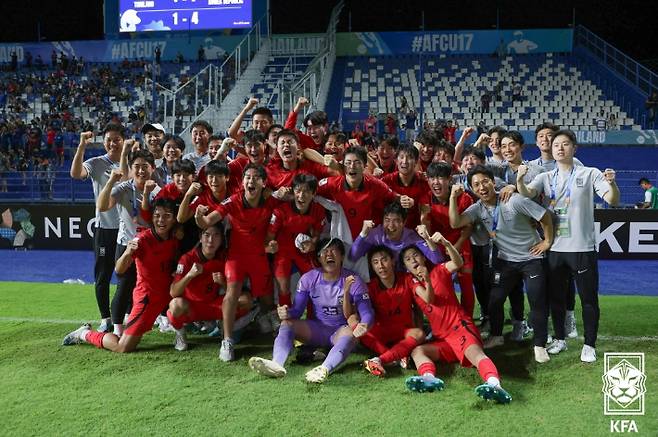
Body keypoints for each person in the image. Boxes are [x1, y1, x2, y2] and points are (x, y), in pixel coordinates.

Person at [516, 129, 620, 363]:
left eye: (565, 144)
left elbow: (612, 200)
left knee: (588, 299)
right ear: (551, 151)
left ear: (575, 148)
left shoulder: (590, 173)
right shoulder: (546, 177)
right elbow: (527, 193)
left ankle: (589, 345)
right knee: (557, 299)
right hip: (555, 249)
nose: (560, 148)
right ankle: (560, 339)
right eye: (556, 145)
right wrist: (520, 179)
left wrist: (612, 184)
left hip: (582, 248)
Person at [449, 166, 554, 363]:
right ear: (471, 189)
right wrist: (452, 199)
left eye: (485, 182)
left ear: (493, 182)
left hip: (531, 258)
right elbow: (455, 223)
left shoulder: (513, 200)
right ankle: (497, 336)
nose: (482, 187)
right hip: (506, 261)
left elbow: (545, 216)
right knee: (494, 300)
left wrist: (546, 241)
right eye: (476, 185)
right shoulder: (477, 208)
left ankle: (539, 344)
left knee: (536, 299)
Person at [400, 238, 512, 404]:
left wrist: (446, 244)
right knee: (418, 351)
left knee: (476, 355)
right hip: (443, 340)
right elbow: (429, 298)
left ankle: (495, 385)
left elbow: (457, 262)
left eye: (415, 255)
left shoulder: (439, 270)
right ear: (406, 268)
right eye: (408, 259)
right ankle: (429, 378)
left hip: (460, 328)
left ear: (423, 257)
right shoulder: (413, 285)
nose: (413, 260)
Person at [248, 238, 374, 383]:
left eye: (333, 251)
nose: (329, 255)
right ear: (319, 258)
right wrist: (287, 312)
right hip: (316, 330)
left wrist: (364, 324)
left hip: (341, 331)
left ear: (342, 256)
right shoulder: (308, 278)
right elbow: (297, 311)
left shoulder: (353, 280)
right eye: (324, 252)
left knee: (350, 333)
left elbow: (367, 311)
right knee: (287, 324)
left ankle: (324, 369)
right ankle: (277, 364)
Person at [62, 198, 180, 353]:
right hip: (147, 299)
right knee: (123, 346)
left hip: (166, 297)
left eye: (167, 216)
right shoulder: (143, 240)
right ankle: (85, 334)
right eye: (157, 215)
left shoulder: (175, 237)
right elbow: (119, 270)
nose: (161, 220)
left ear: (174, 219)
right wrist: (128, 252)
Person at [195, 164, 280, 361]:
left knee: (267, 299)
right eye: (247, 177)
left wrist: (274, 243)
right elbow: (207, 222)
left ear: (263, 182)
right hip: (236, 257)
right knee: (232, 294)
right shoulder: (233, 201)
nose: (251, 181)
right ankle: (227, 340)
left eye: (255, 177)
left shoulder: (270, 201)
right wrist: (200, 216)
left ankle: (276, 331)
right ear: (242, 182)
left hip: (259, 256)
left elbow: (287, 212)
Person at [97, 149, 158, 337]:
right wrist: (110, 181)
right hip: (127, 244)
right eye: (136, 167)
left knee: (152, 285)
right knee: (124, 285)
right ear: (130, 169)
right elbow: (102, 206)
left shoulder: (158, 190)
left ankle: (153, 320)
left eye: (145, 167)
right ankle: (117, 328)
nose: (141, 171)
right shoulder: (123, 188)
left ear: (153, 168)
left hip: (150, 245)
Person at [167, 223, 256, 351]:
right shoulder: (187, 259)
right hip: (192, 307)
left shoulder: (223, 257)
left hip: (214, 305)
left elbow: (234, 291)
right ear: (200, 238)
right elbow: (173, 292)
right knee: (175, 305)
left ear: (221, 239)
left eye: (216, 236)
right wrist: (190, 275)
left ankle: (222, 326)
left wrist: (223, 283)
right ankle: (180, 334)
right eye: (207, 235)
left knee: (246, 300)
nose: (210, 240)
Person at [70, 126, 123, 332]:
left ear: (123, 140)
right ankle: (105, 317)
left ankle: (125, 314)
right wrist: (82, 144)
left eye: (117, 139)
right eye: (109, 140)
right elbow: (75, 173)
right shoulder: (96, 163)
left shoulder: (130, 163)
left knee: (128, 275)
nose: (112, 143)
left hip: (127, 230)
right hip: (105, 228)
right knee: (103, 275)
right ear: (104, 142)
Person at [317, 146, 413, 241]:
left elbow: (394, 197)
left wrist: (406, 200)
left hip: (366, 242)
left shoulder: (375, 184)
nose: (352, 166)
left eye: (357, 162)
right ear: (342, 165)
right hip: (340, 243)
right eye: (348, 163)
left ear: (365, 165)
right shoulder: (330, 184)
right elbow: (309, 192)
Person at [420, 162, 475, 317]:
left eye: (440, 178)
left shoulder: (464, 198)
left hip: (461, 244)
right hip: (438, 248)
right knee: (440, 285)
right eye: (431, 178)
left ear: (449, 179)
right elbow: (426, 223)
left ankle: (467, 320)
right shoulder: (426, 198)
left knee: (466, 284)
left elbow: (468, 228)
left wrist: (455, 246)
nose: (435, 182)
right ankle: (443, 319)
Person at [360, 245, 425, 376]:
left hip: (404, 331)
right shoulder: (370, 286)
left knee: (419, 333)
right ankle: (395, 356)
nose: (381, 266)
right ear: (372, 266)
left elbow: (418, 309)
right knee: (358, 330)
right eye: (375, 262)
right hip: (382, 332)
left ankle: (380, 359)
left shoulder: (407, 279)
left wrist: (420, 332)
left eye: (384, 260)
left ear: (393, 261)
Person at [266, 174, 326, 308]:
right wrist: (270, 246)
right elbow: (269, 237)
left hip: (303, 251)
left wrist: (313, 243)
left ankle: (314, 317)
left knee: (315, 282)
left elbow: (317, 233)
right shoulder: (280, 211)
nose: (301, 195)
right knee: (283, 286)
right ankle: (286, 322)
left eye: (306, 191)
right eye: (298, 190)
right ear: (293, 191)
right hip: (282, 251)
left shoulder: (318, 210)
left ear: (313, 193)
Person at [349, 201, 441, 268]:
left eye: (396, 221)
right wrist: (363, 233)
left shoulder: (411, 237)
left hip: (406, 281)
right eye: (387, 220)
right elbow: (353, 256)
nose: (391, 226)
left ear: (404, 222)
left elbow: (437, 260)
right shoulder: (376, 235)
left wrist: (427, 238)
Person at [381, 144, 428, 228]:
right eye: (401, 157)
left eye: (410, 157)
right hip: (391, 231)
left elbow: (427, 212)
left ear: (416, 161)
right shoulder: (385, 181)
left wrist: (416, 204)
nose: (405, 161)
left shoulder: (424, 183)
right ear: (396, 160)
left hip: (416, 233)